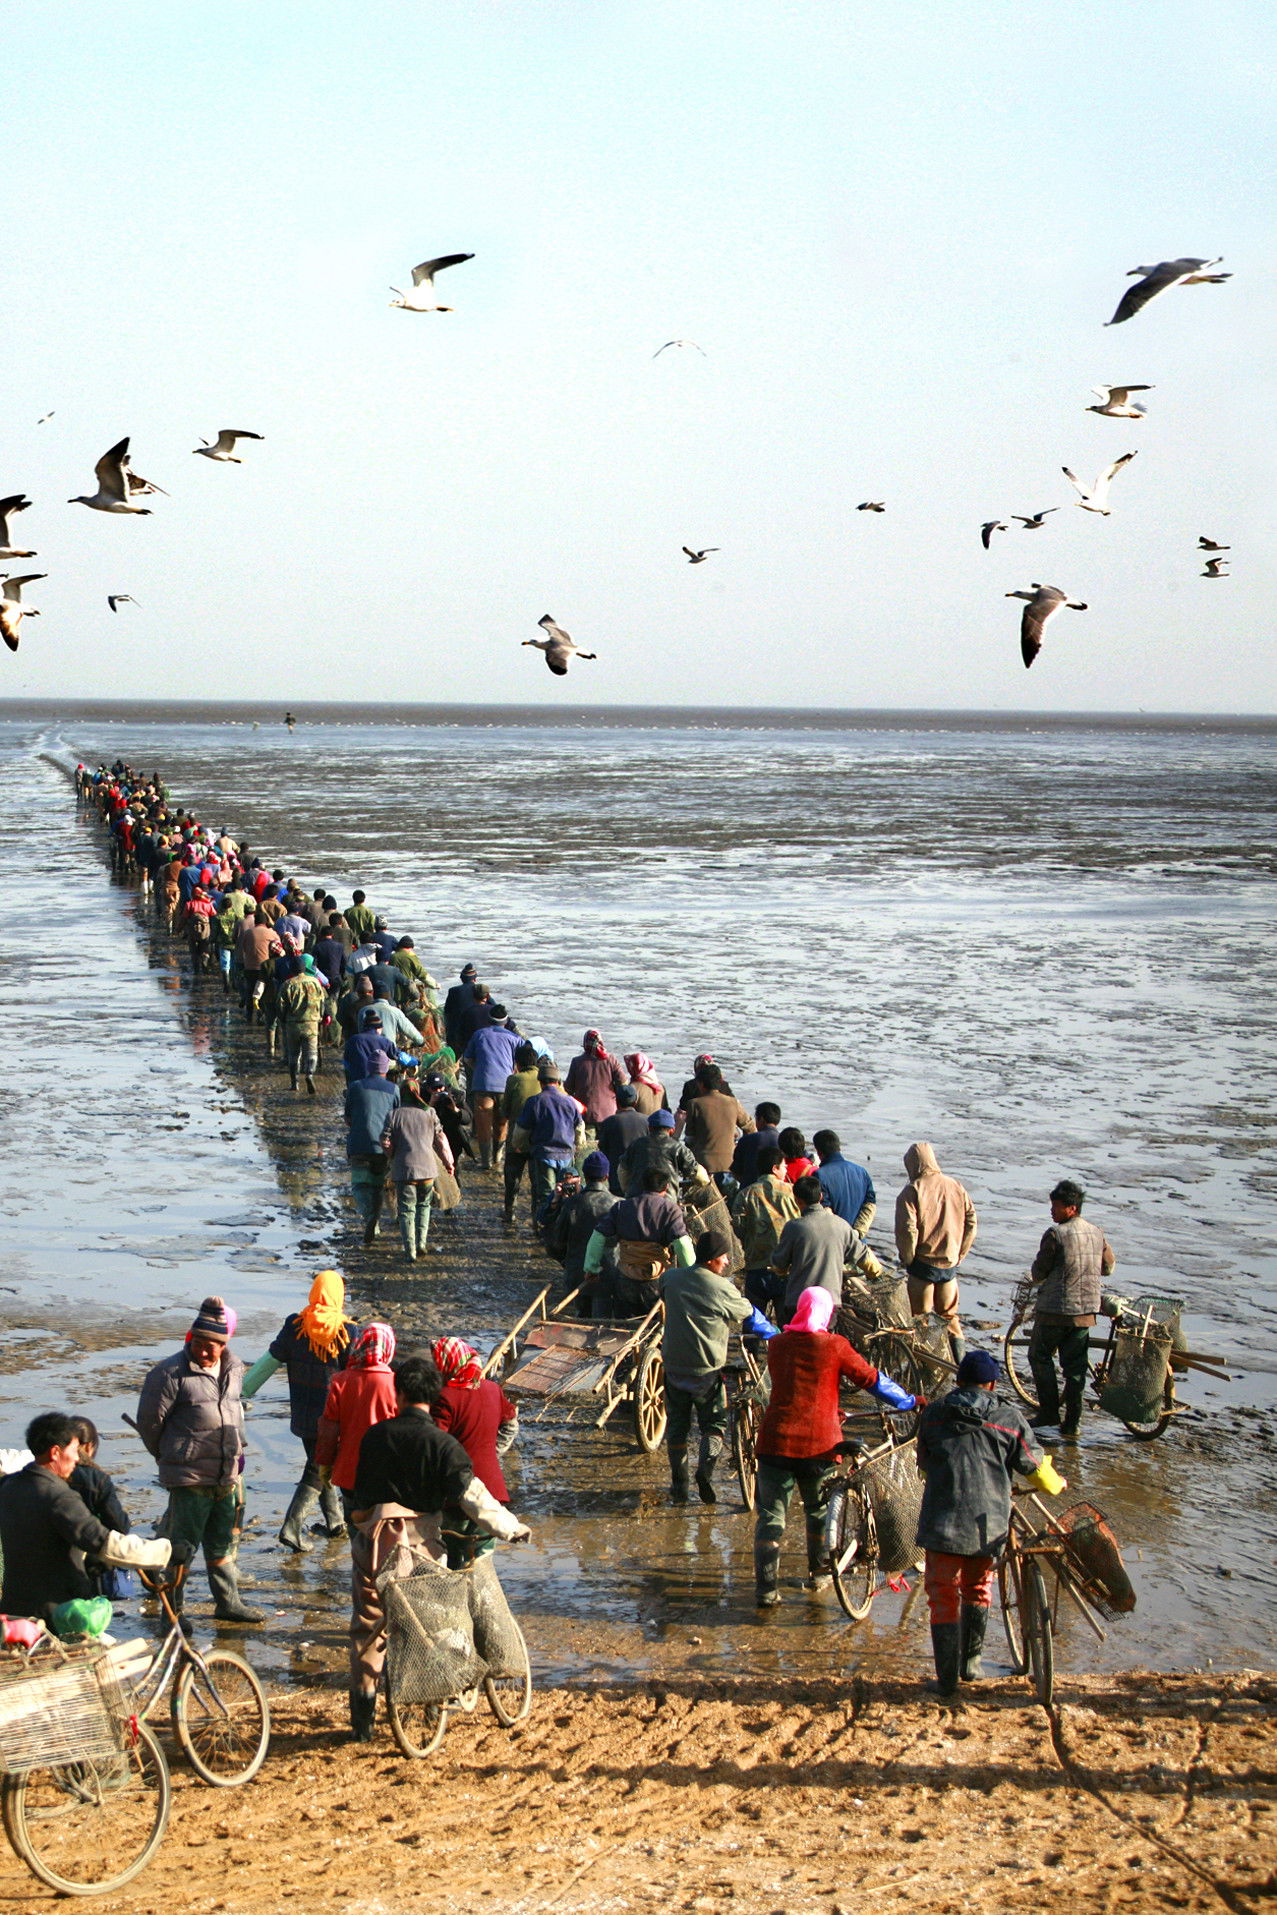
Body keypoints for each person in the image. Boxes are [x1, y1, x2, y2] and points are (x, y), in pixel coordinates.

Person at [346, 1351, 530, 1741]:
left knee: (368, 1628)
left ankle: (361, 1714)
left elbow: (357, 1499)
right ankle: (430, 1705)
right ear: (434, 1394)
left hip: (373, 1545)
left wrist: (365, 1524)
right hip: (420, 1546)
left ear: (397, 1394)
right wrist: (510, 1528)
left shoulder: (375, 1438)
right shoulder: (443, 1444)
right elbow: (472, 1497)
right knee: (434, 1622)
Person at [752, 1287, 918, 1605]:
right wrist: (909, 1401)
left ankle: (766, 1590)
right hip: (820, 1447)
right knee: (818, 1512)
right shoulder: (835, 1346)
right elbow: (871, 1380)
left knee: (771, 1519)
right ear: (827, 1314)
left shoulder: (777, 1344)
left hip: (774, 1442)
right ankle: (819, 1574)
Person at [916, 1349, 1066, 1698]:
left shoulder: (934, 1414)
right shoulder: (1008, 1417)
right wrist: (1058, 1485)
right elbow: (1035, 1467)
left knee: (942, 1595)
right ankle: (971, 1665)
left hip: (942, 1518)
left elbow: (924, 1465)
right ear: (993, 1384)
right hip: (988, 1521)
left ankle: (947, 1681)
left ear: (958, 1381)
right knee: (977, 1587)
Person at [136, 1296, 262, 1624]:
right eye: (200, 1343)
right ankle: (173, 1614)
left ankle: (228, 1603)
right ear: (191, 1338)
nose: (206, 1352)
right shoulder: (167, 1374)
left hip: (226, 1475)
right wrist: (172, 1458)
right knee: (181, 1549)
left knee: (222, 1546)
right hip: (189, 1479)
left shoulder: (235, 1368)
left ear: (225, 1344)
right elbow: (150, 1425)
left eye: (214, 1345)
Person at [0, 1412, 173, 1621]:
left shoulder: (8, 1486)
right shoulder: (59, 1497)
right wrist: (165, 1551)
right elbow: (104, 1543)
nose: (77, 1457)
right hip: (59, 1613)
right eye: (73, 1450)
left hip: (12, 1608)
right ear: (55, 1452)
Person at [661, 1227, 775, 1504]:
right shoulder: (722, 1288)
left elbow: (664, 1296)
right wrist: (778, 1336)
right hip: (707, 1372)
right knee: (713, 1424)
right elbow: (750, 1317)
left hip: (674, 1367)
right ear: (712, 1259)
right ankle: (705, 1471)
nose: (726, 1261)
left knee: (676, 1427)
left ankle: (680, 1487)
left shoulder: (670, 1278)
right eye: (723, 1256)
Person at [241, 1270, 353, 1551]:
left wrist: (242, 1390)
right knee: (318, 1468)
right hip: (332, 1417)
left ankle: (336, 1523)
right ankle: (291, 1527)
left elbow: (271, 1360)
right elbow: (356, 1374)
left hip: (302, 1416)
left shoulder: (295, 1326)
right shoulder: (345, 1331)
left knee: (321, 1464)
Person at [1027, 1180, 1116, 1438]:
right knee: (1075, 1370)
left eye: (1056, 1206)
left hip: (1055, 1311)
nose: (1052, 1211)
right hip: (1085, 1313)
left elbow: (1038, 1272)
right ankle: (1073, 1422)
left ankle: (1049, 1412)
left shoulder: (1055, 1235)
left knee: (1039, 1356)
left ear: (1072, 1208)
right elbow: (1108, 1268)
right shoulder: (1097, 1233)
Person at [429, 1337, 519, 1566]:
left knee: (453, 1558)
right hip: (491, 1491)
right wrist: (493, 1452)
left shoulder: (445, 1397)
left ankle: (457, 1601)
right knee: (481, 1559)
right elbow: (511, 1424)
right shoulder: (492, 1389)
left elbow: (435, 1444)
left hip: (456, 1492)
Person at [894, 1142, 978, 1361]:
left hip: (923, 1266)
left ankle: (924, 1368)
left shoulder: (913, 1190)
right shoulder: (956, 1185)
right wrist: (960, 1253)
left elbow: (907, 1230)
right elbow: (972, 1222)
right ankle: (960, 1367)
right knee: (950, 1318)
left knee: (919, 1320)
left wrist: (908, 1259)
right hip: (949, 1265)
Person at [315, 1322, 399, 1530]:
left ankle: (359, 1560)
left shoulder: (341, 1381)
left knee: (356, 1530)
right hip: (385, 1475)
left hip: (349, 1472)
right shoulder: (396, 1384)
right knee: (383, 1533)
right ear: (388, 1348)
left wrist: (325, 1463)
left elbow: (329, 1429)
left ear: (360, 1345)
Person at [770, 1174, 882, 1324]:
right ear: (821, 1196)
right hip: (830, 1304)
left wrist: (782, 1271)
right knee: (824, 1344)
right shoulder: (841, 1225)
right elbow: (864, 1256)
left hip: (798, 1302)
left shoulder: (794, 1227)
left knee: (796, 1344)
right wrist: (875, 1273)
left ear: (797, 1200)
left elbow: (779, 1264)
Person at [584, 1168, 696, 1317]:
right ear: (666, 1187)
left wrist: (591, 1268)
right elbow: (682, 1243)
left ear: (642, 1185)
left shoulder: (621, 1207)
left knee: (624, 1328)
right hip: (656, 1282)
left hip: (625, 1280)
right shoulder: (670, 1210)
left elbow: (598, 1236)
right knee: (657, 1328)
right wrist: (694, 1276)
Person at [380, 1075, 454, 1260]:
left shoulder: (393, 1115)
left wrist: (391, 1156)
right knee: (424, 1206)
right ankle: (421, 1242)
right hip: (428, 1170)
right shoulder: (429, 1112)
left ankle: (410, 1250)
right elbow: (441, 1140)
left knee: (406, 1210)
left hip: (404, 1170)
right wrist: (448, 1163)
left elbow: (385, 1140)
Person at [67, 1416, 134, 1601]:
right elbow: (121, 1526)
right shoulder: (96, 1479)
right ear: (89, 1446)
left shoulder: (48, 1476)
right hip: (89, 1565)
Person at [731, 1145, 800, 1317]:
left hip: (756, 1266)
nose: (786, 1170)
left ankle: (750, 1345)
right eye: (784, 1166)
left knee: (754, 1321)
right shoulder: (793, 1192)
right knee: (787, 1326)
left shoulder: (745, 1194)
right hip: (786, 1267)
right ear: (774, 1168)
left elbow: (738, 1228)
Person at [511, 1061, 585, 1220]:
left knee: (545, 1194)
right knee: (568, 1190)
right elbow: (579, 1127)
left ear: (540, 1082)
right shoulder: (569, 1101)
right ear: (558, 1081)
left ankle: (544, 1225)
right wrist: (578, 1145)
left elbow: (522, 1129)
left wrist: (517, 1145)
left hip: (544, 1155)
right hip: (566, 1155)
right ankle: (565, 1225)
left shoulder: (535, 1101)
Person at [548, 1150, 618, 1313]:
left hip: (577, 1276)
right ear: (607, 1177)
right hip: (608, 1276)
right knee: (602, 1324)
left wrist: (568, 1263)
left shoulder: (571, 1204)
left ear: (584, 1176)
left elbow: (556, 1242)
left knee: (581, 1320)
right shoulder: (617, 1204)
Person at [462, 1004, 523, 1171]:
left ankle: (485, 1161)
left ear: (489, 1019)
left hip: (483, 1085)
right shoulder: (514, 1039)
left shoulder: (479, 1035)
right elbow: (523, 1059)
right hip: (505, 1086)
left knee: (483, 1124)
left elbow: (467, 1058)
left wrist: (479, 1070)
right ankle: (497, 1156)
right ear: (505, 1021)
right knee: (502, 1123)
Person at [344, 1067, 400, 1244]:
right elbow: (398, 1119)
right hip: (383, 1147)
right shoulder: (394, 1089)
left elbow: (348, 1118)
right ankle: (375, 1217)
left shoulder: (355, 1086)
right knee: (377, 1185)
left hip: (359, 1144)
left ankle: (370, 1218)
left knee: (359, 1185)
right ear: (385, 1069)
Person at [683, 1064, 754, 1188]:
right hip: (729, 1164)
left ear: (700, 1084)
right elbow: (750, 1128)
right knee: (727, 1202)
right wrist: (740, 1148)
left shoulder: (694, 1104)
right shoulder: (733, 1102)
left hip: (703, 1166)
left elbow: (689, 1138)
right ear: (720, 1082)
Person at [619, 1108, 708, 1197]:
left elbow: (622, 1171)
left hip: (636, 1199)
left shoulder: (636, 1144)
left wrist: (627, 1189)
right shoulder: (678, 1148)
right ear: (672, 1130)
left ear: (649, 1128)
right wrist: (706, 1182)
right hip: (667, 1200)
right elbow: (698, 1174)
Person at [501, 1040, 542, 1224]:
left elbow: (505, 1111)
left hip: (517, 1136)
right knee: (536, 1181)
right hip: (539, 1138)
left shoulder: (514, 1079)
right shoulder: (545, 1078)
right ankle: (536, 1216)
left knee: (512, 1176)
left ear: (517, 1063)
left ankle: (510, 1212)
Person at [278, 953, 328, 1093]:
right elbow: (322, 1002)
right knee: (312, 1053)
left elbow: (280, 1005)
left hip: (293, 1024)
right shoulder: (314, 982)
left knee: (294, 1054)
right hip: (311, 1022)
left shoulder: (287, 984)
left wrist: (283, 1019)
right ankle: (309, 1075)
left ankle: (294, 1083)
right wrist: (319, 1016)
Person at [564, 1029, 626, 1134]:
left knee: (587, 1149)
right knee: (607, 1147)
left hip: (585, 1115)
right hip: (609, 1114)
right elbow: (623, 1084)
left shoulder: (577, 1062)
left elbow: (568, 1088)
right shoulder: (611, 1060)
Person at [812, 1130, 876, 1232]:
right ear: (839, 1148)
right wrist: (858, 1232)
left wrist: (844, 1236)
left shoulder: (819, 1175)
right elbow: (870, 1204)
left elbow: (824, 1210)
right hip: (858, 1240)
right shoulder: (861, 1172)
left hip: (835, 1238)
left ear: (819, 1152)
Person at [597, 1085, 648, 1193]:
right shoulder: (647, 1121)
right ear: (635, 1102)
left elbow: (603, 1150)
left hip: (616, 1180)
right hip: (641, 1179)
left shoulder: (608, 1123)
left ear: (617, 1103)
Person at [731, 1103, 782, 1188]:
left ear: (761, 1119)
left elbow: (736, 1171)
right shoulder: (784, 1140)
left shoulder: (746, 1140)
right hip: (778, 1189)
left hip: (748, 1189)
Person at [443, 963, 480, 1054]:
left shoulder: (453, 991)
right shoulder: (479, 990)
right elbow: (493, 1007)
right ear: (475, 979)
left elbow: (447, 1011)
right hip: (474, 1032)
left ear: (462, 979)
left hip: (456, 1033)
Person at [624, 1051, 667, 1116]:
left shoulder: (633, 1087)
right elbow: (666, 1110)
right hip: (657, 1125)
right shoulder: (660, 1087)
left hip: (640, 1125)